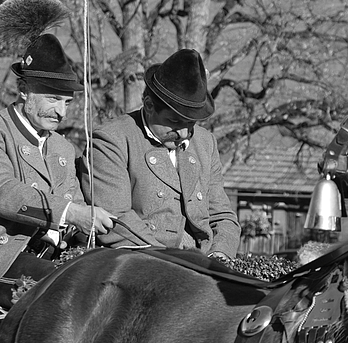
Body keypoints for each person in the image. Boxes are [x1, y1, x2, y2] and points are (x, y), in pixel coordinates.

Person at [0, 0, 114, 308]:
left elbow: (74, 202)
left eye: (67, 102)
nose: (61, 112)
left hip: (46, 258)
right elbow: (3, 194)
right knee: (75, 293)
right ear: (23, 90)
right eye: (52, 98)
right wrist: (72, 214)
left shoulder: (62, 147)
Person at [80, 48, 240, 261]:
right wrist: (174, 264)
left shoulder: (205, 142)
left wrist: (219, 256)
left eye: (190, 123)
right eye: (174, 122)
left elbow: (222, 216)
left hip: (205, 264)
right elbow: (116, 220)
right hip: (141, 264)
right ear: (148, 105)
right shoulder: (111, 140)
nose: (184, 134)